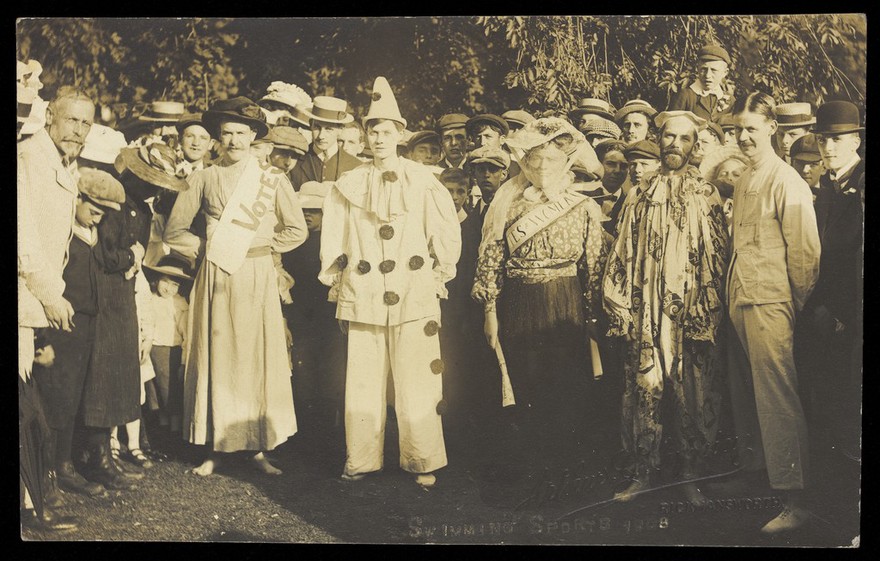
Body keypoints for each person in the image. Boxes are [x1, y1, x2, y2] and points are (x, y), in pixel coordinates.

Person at [319, 77, 461, 488]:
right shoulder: (349, 184)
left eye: (386, 131)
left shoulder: (423, 180)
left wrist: (440, 273)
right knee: (363, 379)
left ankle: (422, 459)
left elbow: (445, 233)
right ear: (365, 135)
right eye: (373, 131)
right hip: (364, 292)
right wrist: (337, 281)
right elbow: (334, 238)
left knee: (417, 378)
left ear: (400, 134)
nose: (379, 139)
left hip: (413, 291)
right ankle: (362, 459)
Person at [164, 97, 308, 476]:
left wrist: (261, 246)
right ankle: (215, 446)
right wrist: (208, 248)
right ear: (218, 137)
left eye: (241, 133)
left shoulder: (271, 179)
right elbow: (175, 231)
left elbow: (296, 229)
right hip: (218, 275)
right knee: (220, 355)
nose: (234, 141)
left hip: (257, 274)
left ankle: (257, 447)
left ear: (254, 136)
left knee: (256, 356)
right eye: (227, 133)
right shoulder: (204, 177)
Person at [604, 110, 728, 505]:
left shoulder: (705, 194)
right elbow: (622, 252)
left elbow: (717, 258)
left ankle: (691, 476)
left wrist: (706, 311)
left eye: (684, 138)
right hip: (646, 309)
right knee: (644, 388)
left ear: (694, 146)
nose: (675, 144)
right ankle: (643, 474)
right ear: (659, 140)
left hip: (690, 310)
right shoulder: (640, 193)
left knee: (693, 391)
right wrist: (621, 305)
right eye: (669, 137)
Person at [472, 116, 607, 479]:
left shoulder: (582, 206)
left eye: (551, 160)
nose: (543, 167)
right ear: (525, 161)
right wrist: (489, 311)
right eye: (536, 160)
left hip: (565, 300)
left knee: (564, 382)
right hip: (520, 302)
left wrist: (593, 317)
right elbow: (492, 260)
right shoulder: (510, 204)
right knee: (526, 378)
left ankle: (565, 467)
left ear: (566, 162)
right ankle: (533, 466)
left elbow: (593, 266)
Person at [725, 92, 821, 534]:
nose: (744, 137)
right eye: (738, 129)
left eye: (751, 128)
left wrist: (791, 305)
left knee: (778, 399)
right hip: (742, 298)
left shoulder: (786, 180)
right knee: (752, 398)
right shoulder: (746, 177)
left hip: (771, 302)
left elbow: (805, 254)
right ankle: (759, 478)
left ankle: (795, 501)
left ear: (771, 128)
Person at [18, 86, 96, 531]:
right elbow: (24, 241)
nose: (78, 130)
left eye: (86, 123)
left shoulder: (63, 163)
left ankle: (32, 502)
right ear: (50, 116)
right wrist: (51, 294)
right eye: (71, 120)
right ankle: (31, 507)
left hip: (33, 299)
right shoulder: (29, 158)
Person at [31, 169, 126, 501]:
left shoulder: (91, 233)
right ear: (77, 198)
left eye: (102, 214)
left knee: (72, 398)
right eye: (93, 210)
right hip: (60, 326)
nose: (97, 218)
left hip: (85, 324)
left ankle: (64, 464)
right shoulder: (61, 234)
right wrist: (41, 336)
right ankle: (47, 470)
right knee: (54, 397)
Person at [799, 101, 863, 464]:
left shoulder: (860, 184)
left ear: (856, 141)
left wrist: (839, 311)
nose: (828, 147)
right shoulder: (826, 185)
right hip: (824, 309)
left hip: (849, 311)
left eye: (837, 139)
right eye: (823, 139)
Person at [280, 181, 347, 438]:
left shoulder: (334, 244)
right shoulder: (292, 243)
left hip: (328, 318)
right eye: (304, 210)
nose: (308, 215)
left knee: (331, 374)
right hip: (301, 316)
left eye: (314, 211)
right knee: (303, 374)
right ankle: (305, 434)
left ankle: (327, 434)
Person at [143, 255, 193, 436]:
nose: (168, 288)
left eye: (175, 284)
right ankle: (162, 428)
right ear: (156, 280)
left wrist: (183, 360)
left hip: (171, 349)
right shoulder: (149, 298)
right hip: (152, 348)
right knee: (154, 389)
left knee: (170, 390)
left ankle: (174, 431)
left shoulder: (179, 303)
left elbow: (186, 333)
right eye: (165, 281)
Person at [289, 96, 362, 191]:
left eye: (328, 129)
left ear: (340, 129)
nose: (321, 136)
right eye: (317, 127)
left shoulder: (356, 167)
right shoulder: (293, 160)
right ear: (311, 124)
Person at [668, 45, 735, 122]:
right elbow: (671, 125)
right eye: (704, 69)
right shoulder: (685, 96)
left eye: (714, 70)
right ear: (698, 68)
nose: (708, 75)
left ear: (725, 72)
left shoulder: (730, 101)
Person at [467, 145, 510, 223]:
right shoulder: (469, 215)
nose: (486, 174)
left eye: (492, 169)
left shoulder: (511, 210)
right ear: (474, 174)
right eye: (481, 169)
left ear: (503, 174)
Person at [789, 133, 825, 199]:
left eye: (813, 164)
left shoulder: (834, 198)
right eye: (800, 163)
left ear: (824, 168)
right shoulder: (781, 195)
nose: (805, 170)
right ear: (791, 165)